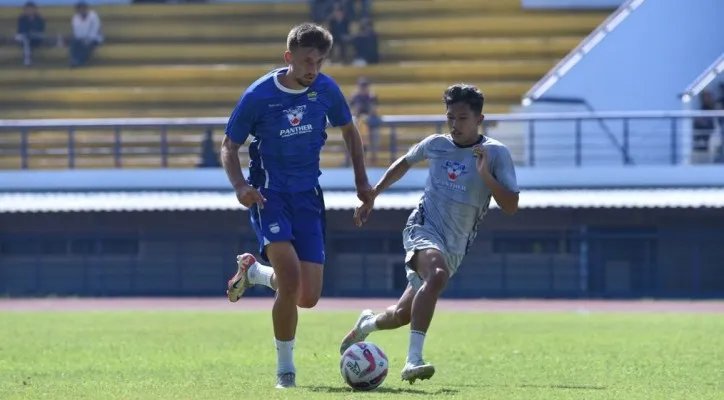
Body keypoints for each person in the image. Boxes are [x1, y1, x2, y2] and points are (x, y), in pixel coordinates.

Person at [220, 23, 373, 389]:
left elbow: (350, 131)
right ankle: (285, 372)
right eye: (307, 61)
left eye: (319, 62)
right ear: (289, 58)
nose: (313, 70)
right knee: (289, 280)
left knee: (307, 296)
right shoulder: (258, 95)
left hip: (308, 197)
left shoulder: (325, 89)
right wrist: (240, 185)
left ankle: (254, 273)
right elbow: (229, 145)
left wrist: (361, 183)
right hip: (269, 196)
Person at [338, 84, 520, 384]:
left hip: (455, 247)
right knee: (436, 275)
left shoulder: (496, 153)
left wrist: (486, 175)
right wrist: (373, 195)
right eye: (450, 117)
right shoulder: (436, 144)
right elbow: (404, 163)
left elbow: (511, 205)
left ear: (479, 119)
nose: (454, 124)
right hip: (423, 228)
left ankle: (366, 324)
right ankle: (413, 360)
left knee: (400, 315)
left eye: (462, 118)